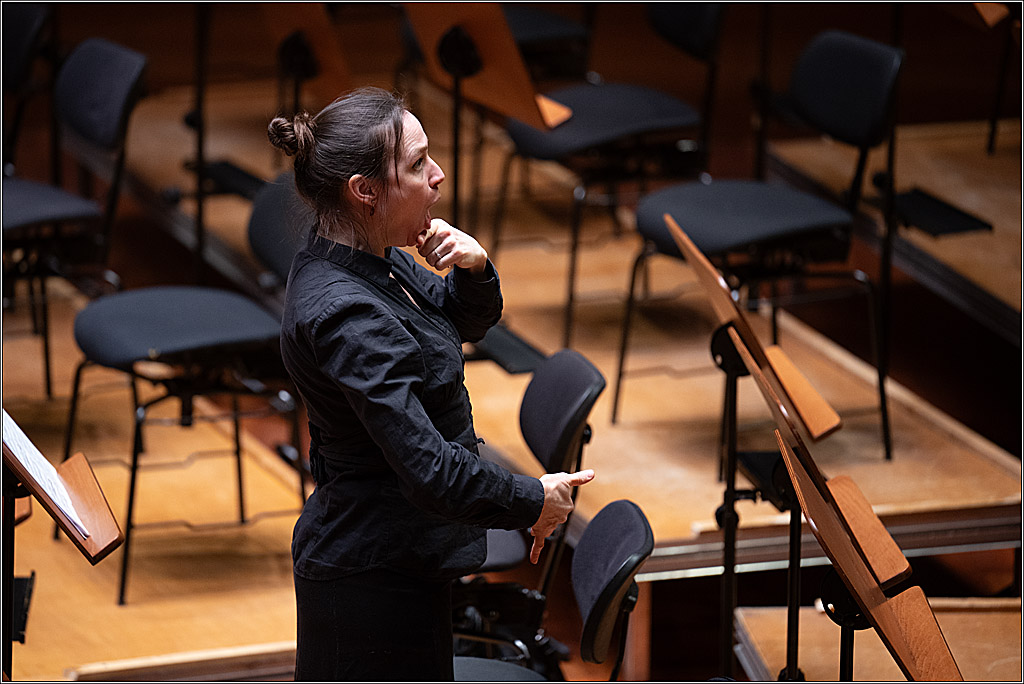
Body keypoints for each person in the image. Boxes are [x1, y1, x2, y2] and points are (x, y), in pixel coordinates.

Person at [268, 86, 595, 681]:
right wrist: (534, 500)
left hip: (403, 561)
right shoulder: (348, 314)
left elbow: (450, 323)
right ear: (364, 191)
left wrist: (474, 268)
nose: (438, 175)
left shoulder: (366, 253)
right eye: (417, 164)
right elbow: (432, 472)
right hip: (371, 585)